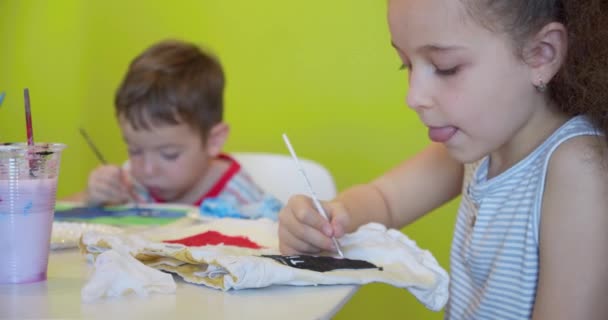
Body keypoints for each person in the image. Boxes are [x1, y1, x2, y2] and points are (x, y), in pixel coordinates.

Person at [278, 0, 608, 319]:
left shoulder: (576, 168)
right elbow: (385, 201)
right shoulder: (481, 147)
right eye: (405, 64)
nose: (413, 97)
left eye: (445, 67)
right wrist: (329, 219)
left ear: (540, 55)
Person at [70, 39, 272, 212]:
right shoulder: (130, 185)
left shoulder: (244, 202)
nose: (147, 170)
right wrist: (91, 198)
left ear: (213, 140)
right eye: (135, 151)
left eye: (169, 154)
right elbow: (49, 220)